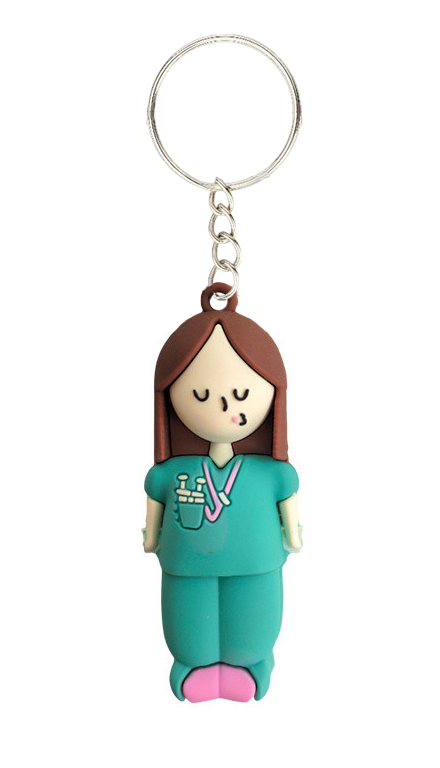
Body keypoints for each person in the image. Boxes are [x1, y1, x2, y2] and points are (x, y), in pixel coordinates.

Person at [143, 284, 302, 702]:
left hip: (256, 560)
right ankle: (194, 662)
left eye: (241, 395)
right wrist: (151, 537)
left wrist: (293, 535)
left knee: (253, 613)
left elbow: (288, 502)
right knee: (189, 615)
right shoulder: (172, 471)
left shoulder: (272, 472)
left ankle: (249, 662)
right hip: (187, 563)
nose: (224, 407)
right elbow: (155, 500)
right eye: (200, 396)